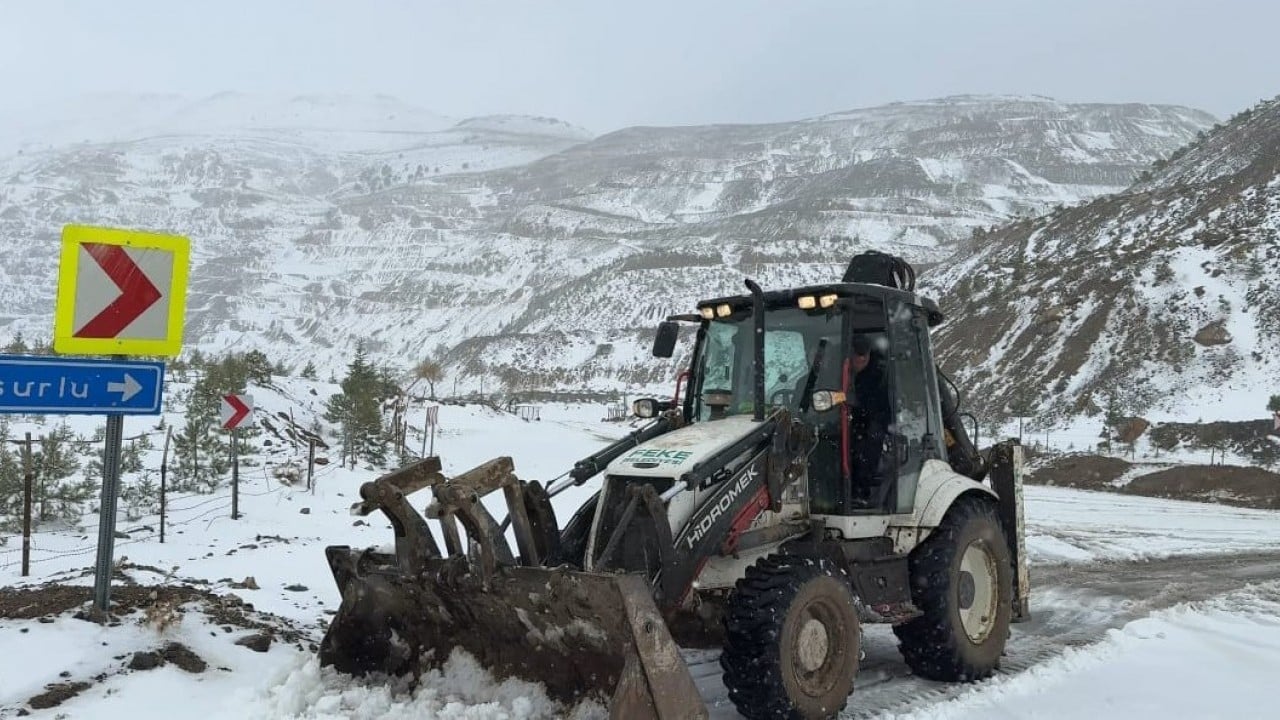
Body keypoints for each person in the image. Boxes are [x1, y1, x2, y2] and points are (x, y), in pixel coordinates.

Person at [849, 334, 891, 505]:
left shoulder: (876, 377)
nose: (859, 360)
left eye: (863, 356)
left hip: (870, 425)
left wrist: (859, 414)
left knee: (868, 440)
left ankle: (860, 491)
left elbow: (879, 408)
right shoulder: (836, 372)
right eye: (856, 355)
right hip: (848, 422)